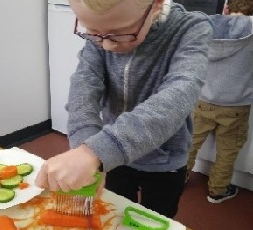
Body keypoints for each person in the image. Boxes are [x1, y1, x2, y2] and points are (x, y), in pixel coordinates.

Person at [35, 0, 213, 218]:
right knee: (115, 214)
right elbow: (84, 86)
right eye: (92, 32)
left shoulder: (191, 29)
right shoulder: (103, 35)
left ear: (156, 4)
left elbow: (178, 97)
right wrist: (85, 146)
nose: (107, 46)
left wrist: (95, 151)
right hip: (112, 158)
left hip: (164, 163)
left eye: (120, 34)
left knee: (156, 217)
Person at [187, 0, 253, 204]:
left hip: (202, 99)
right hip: (236, 106)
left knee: (189, 144)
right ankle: (217, 191)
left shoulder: (206, 27)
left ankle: (176, 178)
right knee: (227, 151)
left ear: (225, 8)